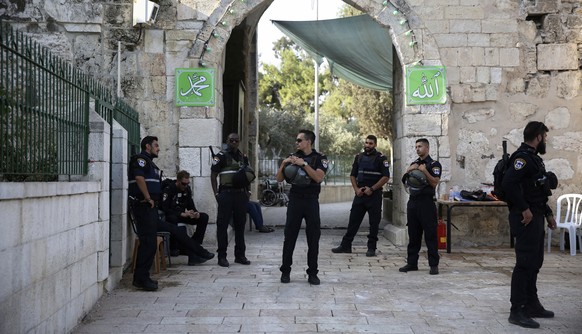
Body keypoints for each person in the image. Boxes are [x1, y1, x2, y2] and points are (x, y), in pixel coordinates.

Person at [502, 121, 557, 329]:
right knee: (524, 263)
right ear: (539, 136)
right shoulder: (522, 158)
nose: (546, 140)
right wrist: (524, 208)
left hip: (536, 215)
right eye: (545, 136)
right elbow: (509, 183)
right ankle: (516, 310)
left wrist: (549, 214)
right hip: (524, 218)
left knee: (535, 262)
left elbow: (538, 191)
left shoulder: (534, 159)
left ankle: (532, 304)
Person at [276, 129, 328, 285]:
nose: (296, 143)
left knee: (313, 238)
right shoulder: (292, 156)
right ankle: (285, 271)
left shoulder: (320, 158)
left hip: (311, 200)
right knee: (289, 236)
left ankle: (313, 273)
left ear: (308, 142)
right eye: (296, 140)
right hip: (295, 200)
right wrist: (284, 164)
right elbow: (279, 179)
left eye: (299, 140)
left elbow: (318, 177)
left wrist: (304, 164)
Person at [332, 135, 390, 257]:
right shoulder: (359, 157)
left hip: (374, 195)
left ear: (375, 145)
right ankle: (346, 246)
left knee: (374, 223)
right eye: (366, 143)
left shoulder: (381, 158)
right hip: (360, 194)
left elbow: (385, 176)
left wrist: (372, 188)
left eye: (370, 143)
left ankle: (371, 248)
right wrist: (356, 189)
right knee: (353, 221)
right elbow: (353, 175)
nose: (367, 145)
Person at [399, 138, 441, 275]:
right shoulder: (414, 164)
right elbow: (405, 181)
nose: (417, 149)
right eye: (416, 147)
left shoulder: (434, 164)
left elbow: (434, 183)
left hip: (426, 203)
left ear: (427, 148)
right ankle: (412, 263)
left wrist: (425, 171)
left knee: (430, 235)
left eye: (420, 146)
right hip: (413, 201)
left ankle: (433, 265)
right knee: (413, 234)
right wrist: (407, 171)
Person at [210, 133, 251, 267]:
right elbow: (213, 175)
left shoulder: (242, 157)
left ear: (239, 142)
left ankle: (240, 255)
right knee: (222, 226)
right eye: (231, 140)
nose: (233, 142)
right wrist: (216, 194)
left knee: (240, 225)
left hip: (240, 195)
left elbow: (247, 175)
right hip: (226, 194)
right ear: (227, 141)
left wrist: (248, 191)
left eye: (236, 140)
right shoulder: (220, 156)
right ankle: (222, 256)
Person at [128, 136, 162, 291]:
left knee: (150, 242)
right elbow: (139, 178)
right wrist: (148, 197)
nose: (158, 148)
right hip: (143, 205)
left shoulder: (149, 162)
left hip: (149, 206)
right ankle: (141, 278)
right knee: (148, 242)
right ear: (147, 146)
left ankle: (143, 277)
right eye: (156, 145)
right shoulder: (141, 159)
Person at [161, 170, 209, 254]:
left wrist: (195, 213)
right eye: (183, 184)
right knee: (172, 219)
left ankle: (195, 243)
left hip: (184, 215)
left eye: (187, 184)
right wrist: (181, 214)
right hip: (172, 215)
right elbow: (165, 208)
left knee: (204, 217)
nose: (185, 186)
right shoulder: (169, 189)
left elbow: (190, 205)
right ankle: (174, 248)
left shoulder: (187, 190)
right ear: (178, 181)